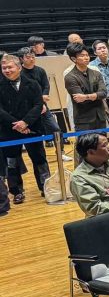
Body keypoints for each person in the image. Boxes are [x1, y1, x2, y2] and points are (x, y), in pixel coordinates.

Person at [0, 53, 51, 204]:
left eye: (9, 67)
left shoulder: (33, 83)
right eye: (4, 68)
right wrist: (17, 124)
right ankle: (16, 191)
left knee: (39, 159)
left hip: (32, 128)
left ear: (19, 67)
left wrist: (26, 123)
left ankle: (46, 187)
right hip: (9, 130)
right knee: (12, 161)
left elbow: (38, 105)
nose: (7, 70)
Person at [64, 44, 109, 131]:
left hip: (100, 116)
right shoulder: (70, 77)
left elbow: (104, 93)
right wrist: (96, 96)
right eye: (82, 56)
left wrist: (86, 97)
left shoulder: (96, 73)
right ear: (74, 59)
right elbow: (79, 100)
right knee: (86, 144)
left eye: (87, 55)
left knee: (102, 143)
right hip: (83, 119)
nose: (86, 57)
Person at [91, 41, 109, 133]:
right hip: (103, 100)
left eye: (104, 48)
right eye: (99, 49)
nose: (103, 50)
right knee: (105, 124)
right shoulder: (91, 66)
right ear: (95, 52)